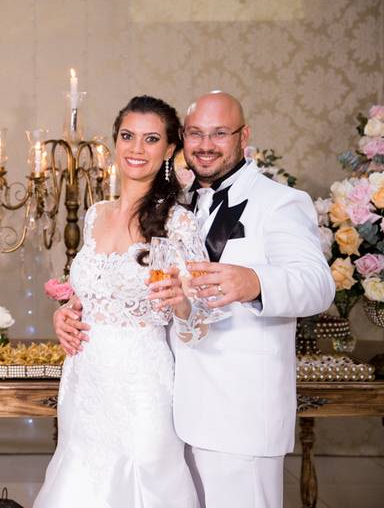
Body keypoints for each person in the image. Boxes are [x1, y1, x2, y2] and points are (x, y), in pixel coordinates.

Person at [53, 91, 335, 508]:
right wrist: (69, 310)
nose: (205, 144)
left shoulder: (279, 203)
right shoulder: (177, 203)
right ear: (183, 141)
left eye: (219, 133)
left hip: (238, 411)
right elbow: (123, 289)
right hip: (167, 401)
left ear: (244, 136)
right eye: (196, 133)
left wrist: (254, 282)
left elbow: (318, 284)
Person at [34, 96, 204, 508]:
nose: (136, 149)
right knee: (81, 479)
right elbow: (91, 293)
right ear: (115, 142)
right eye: (128, 136)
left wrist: (183, 302)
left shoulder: (178, 221)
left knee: (143, 476)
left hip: (141, 380)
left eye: (151, 139)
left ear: (169, 149)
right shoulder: (95, 214)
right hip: (85, 375)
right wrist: (65, 313)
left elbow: (201, 316)